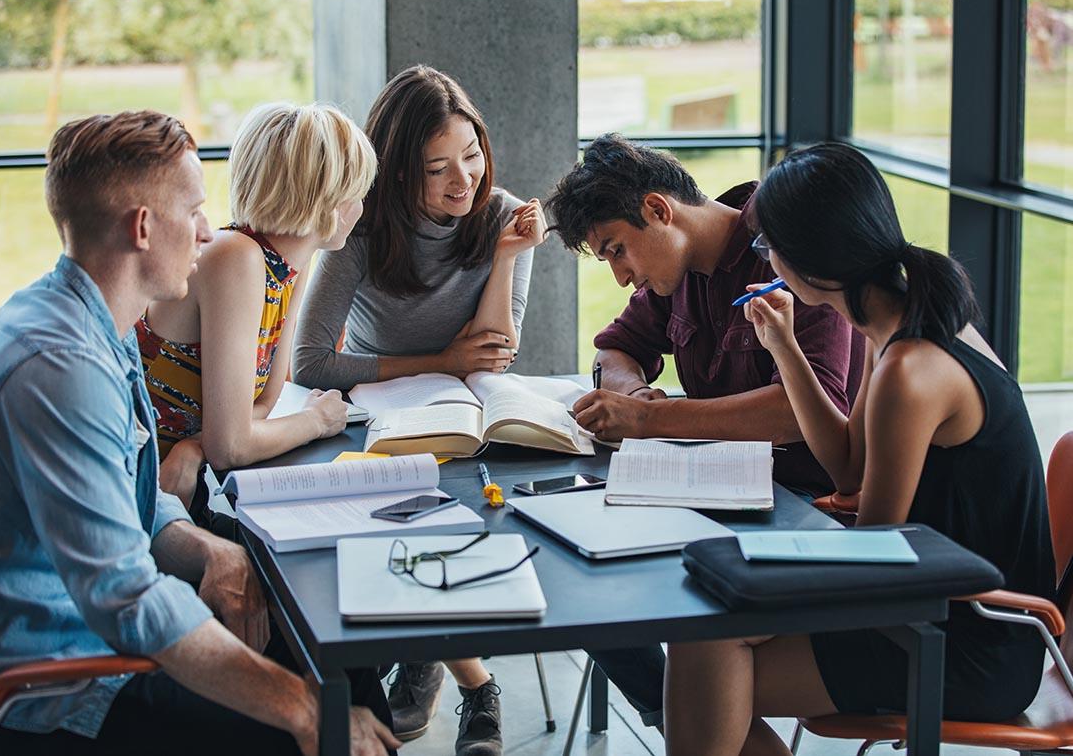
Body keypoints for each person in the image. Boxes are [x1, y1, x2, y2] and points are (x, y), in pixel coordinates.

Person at [0, 111, 399, 756]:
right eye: (195, 210)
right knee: (320, 711)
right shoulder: (60, 367)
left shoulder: (96, 326)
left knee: (335, 659)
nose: (209, 230)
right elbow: (125, 597)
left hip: (101, 637)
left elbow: (127, 501)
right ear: (144, 228)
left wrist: (205, 549)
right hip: (64, 679)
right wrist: (301, 708)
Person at [664, 142, 1055, 756]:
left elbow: (874, 550)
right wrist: (786, 349)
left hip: (966, 639)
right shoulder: (897, 322)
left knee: (707, 657)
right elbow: (847, 463)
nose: (766, 261)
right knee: (706, 646)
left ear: (810, 261)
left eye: (769, 249)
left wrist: (759, 579)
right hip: (934, 602)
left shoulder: (911, 367)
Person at [543, 132, 863, 729]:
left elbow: (806, 408)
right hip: (713, 498)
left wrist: (653, 419)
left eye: (617, 250)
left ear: (659, 211)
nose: (620, 276)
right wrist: (631, 391)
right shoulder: (676, 274)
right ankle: (681, 715)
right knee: (574, 575)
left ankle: (687, 716)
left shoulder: (789, 248)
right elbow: (615, 348)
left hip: (802, 511)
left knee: (640, 603)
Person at [293, 65, 547, 756]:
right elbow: (310, 361)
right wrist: (442, 361)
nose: (463, 180)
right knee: (401, 512)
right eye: (438, 168)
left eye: (472, 156)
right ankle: (476, 682)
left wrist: (504, 256)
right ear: (399, 171)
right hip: (389, 418)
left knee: (465, 508)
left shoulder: (502, 214)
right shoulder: (365, 229)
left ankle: (436, 663)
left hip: (471, 415)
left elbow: (496, 351)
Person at [137, 102, 377, 524]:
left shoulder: (289, 265)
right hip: (140, 489)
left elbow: (266, 399)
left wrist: (195, 446)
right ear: (329, 199)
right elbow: (231, 444)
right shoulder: (237, 258)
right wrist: (315, 421)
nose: (361, 205)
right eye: (357, 190)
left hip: (180, 481)